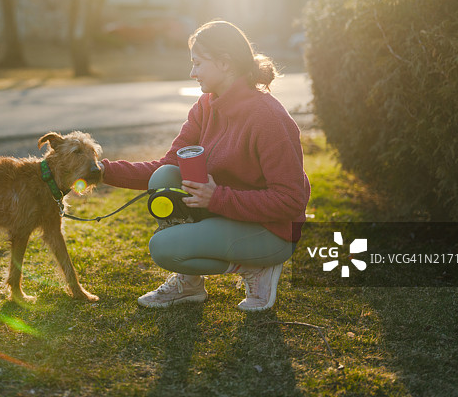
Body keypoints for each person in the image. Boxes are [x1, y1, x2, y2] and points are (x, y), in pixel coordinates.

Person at [100, 20, 310, 311]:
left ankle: (257, 268)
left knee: (163, 248)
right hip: (227, 211)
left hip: (272, 231)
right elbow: (167, 165)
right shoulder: (205, 106)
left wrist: (217, 197)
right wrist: (102, 171)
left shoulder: (269, 118)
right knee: (165, 176)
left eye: (198, 63)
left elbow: (291, 200)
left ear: (224, 63)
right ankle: (189, 285)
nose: (192, 72)